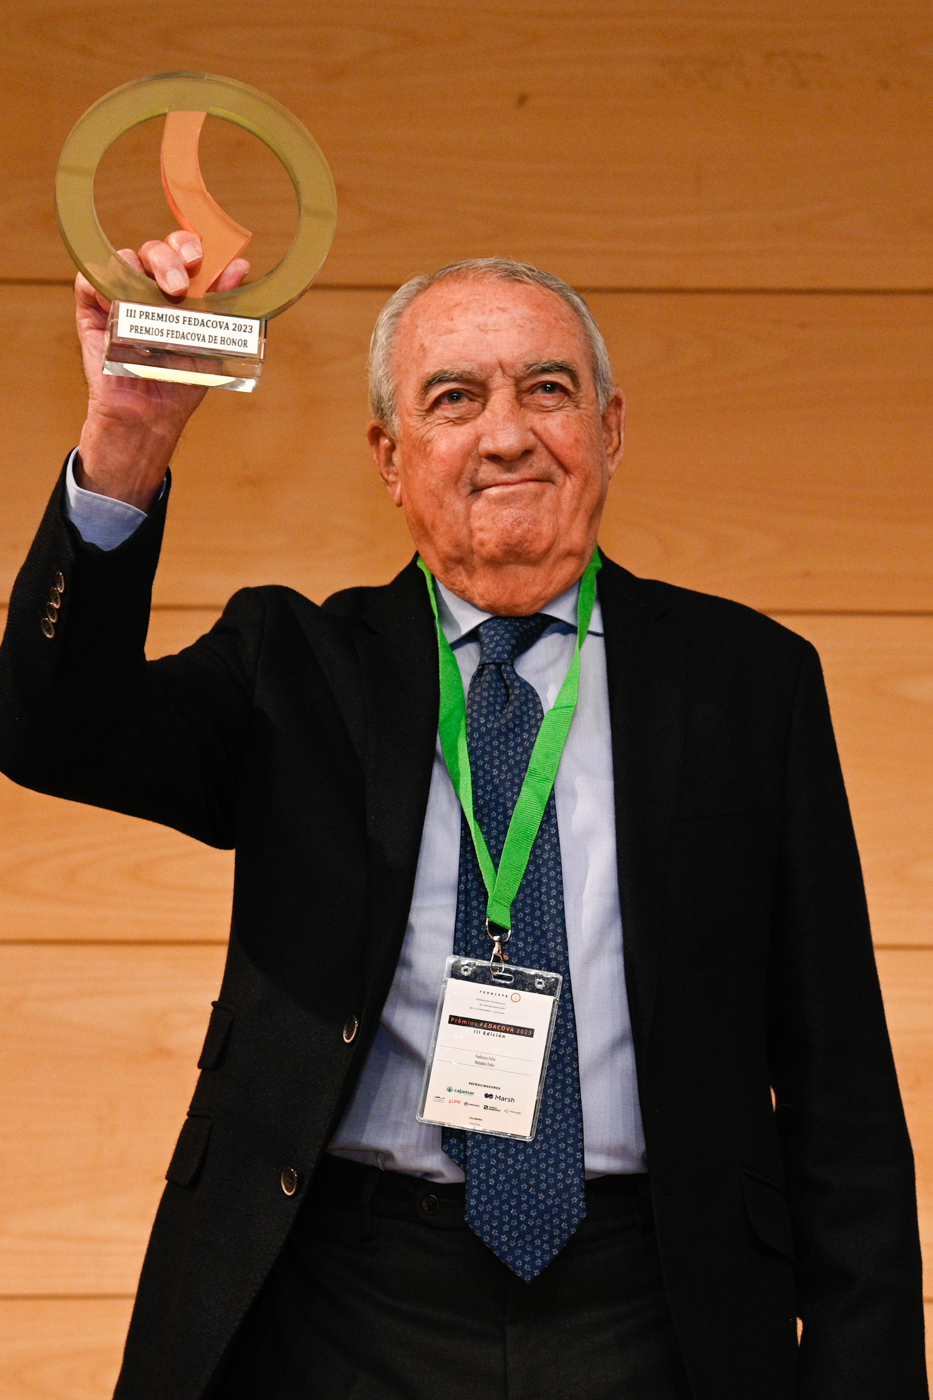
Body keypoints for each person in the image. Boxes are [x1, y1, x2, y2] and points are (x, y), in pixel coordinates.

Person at [0, 236, 925, 1400]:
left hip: (657, 1302)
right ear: (390, 457)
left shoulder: (746, 683)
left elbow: (840, 1092)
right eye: (454, 398)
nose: (507, 433)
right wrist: (129, 438)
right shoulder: (295, 665)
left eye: (548, 389)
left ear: (611, 429)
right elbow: (55, 732)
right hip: (339, 1302)